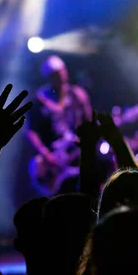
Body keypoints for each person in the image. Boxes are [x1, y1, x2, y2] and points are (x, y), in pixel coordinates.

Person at [26, 56, 92, 195]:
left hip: (74, 155)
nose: (60, 76)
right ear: (48, 77)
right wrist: (46, 154)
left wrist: (84, 137)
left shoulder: (77, 94)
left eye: (62, 71)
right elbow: (31, 132)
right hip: (54, 158)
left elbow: (88, 122)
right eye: (55, 74)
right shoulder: (39, 100)